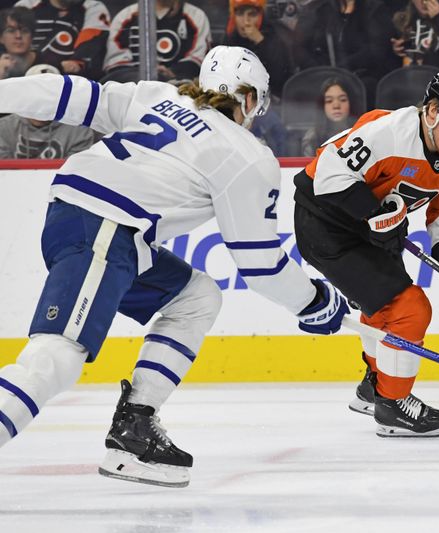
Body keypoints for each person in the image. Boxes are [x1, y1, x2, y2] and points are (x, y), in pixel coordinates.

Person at [0, 45, 348, 487]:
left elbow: (66, 93)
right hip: (106, 228)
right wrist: (313, 301)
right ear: (249, 99)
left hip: (88, 221)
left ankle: (134, 429)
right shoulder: (246, 155)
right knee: (56, 359)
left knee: (197, 296)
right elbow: (260, 265)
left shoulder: (158, 96)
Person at [293, 67, 439, 438]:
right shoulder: (389, 133)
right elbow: (326, 176)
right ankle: (393, 404)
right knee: (410, 309)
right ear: (433, 111)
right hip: (325, 223)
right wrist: (373, 215)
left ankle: (375, 387)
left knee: (383, 308)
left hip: (375, 228)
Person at [294, 0, 399, 105]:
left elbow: (377, 49)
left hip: (363, 79)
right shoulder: (319, 9)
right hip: (324, 78)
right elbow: (298, 47)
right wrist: (320, 71)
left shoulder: (374, 9)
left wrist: (342, 68)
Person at [103, 0, 210, 84]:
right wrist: (141, 77)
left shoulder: (196, 16)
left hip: (178, 89)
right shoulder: (125, 17)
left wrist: (172, 73)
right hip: (131, 89)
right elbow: (115, 64)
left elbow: (198, 59)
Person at [0, 64, 95, 157]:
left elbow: (76, 168)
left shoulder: (79, 130)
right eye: (35, 92)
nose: (42, 99)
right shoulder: (4, 126)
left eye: (49, 94)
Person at [13, 0, 110, 79]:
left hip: (70, 76)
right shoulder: (27, 5)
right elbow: (12, 41)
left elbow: (91, 43)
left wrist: (76, 63)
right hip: (28, 70)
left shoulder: (93, 7)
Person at [222, 0, 293, 99]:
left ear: (261, 16)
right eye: (240, 14)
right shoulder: (230, 39)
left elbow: (281, 79)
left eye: (252, 15)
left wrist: (260, 41)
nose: (246, 21)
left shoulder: (276, 35)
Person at [301, 77, 356, 157]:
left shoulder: (362, 133)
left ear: (351, 103)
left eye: (343, 100)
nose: (336, 106)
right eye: (329, 101)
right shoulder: (312, 138)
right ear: (322, 106)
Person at [0, 6, 40, 79]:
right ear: (1, 38)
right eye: (11, 31)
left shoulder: (47, 63)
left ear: (32, 36)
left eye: (24, 31)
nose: (18, 36)